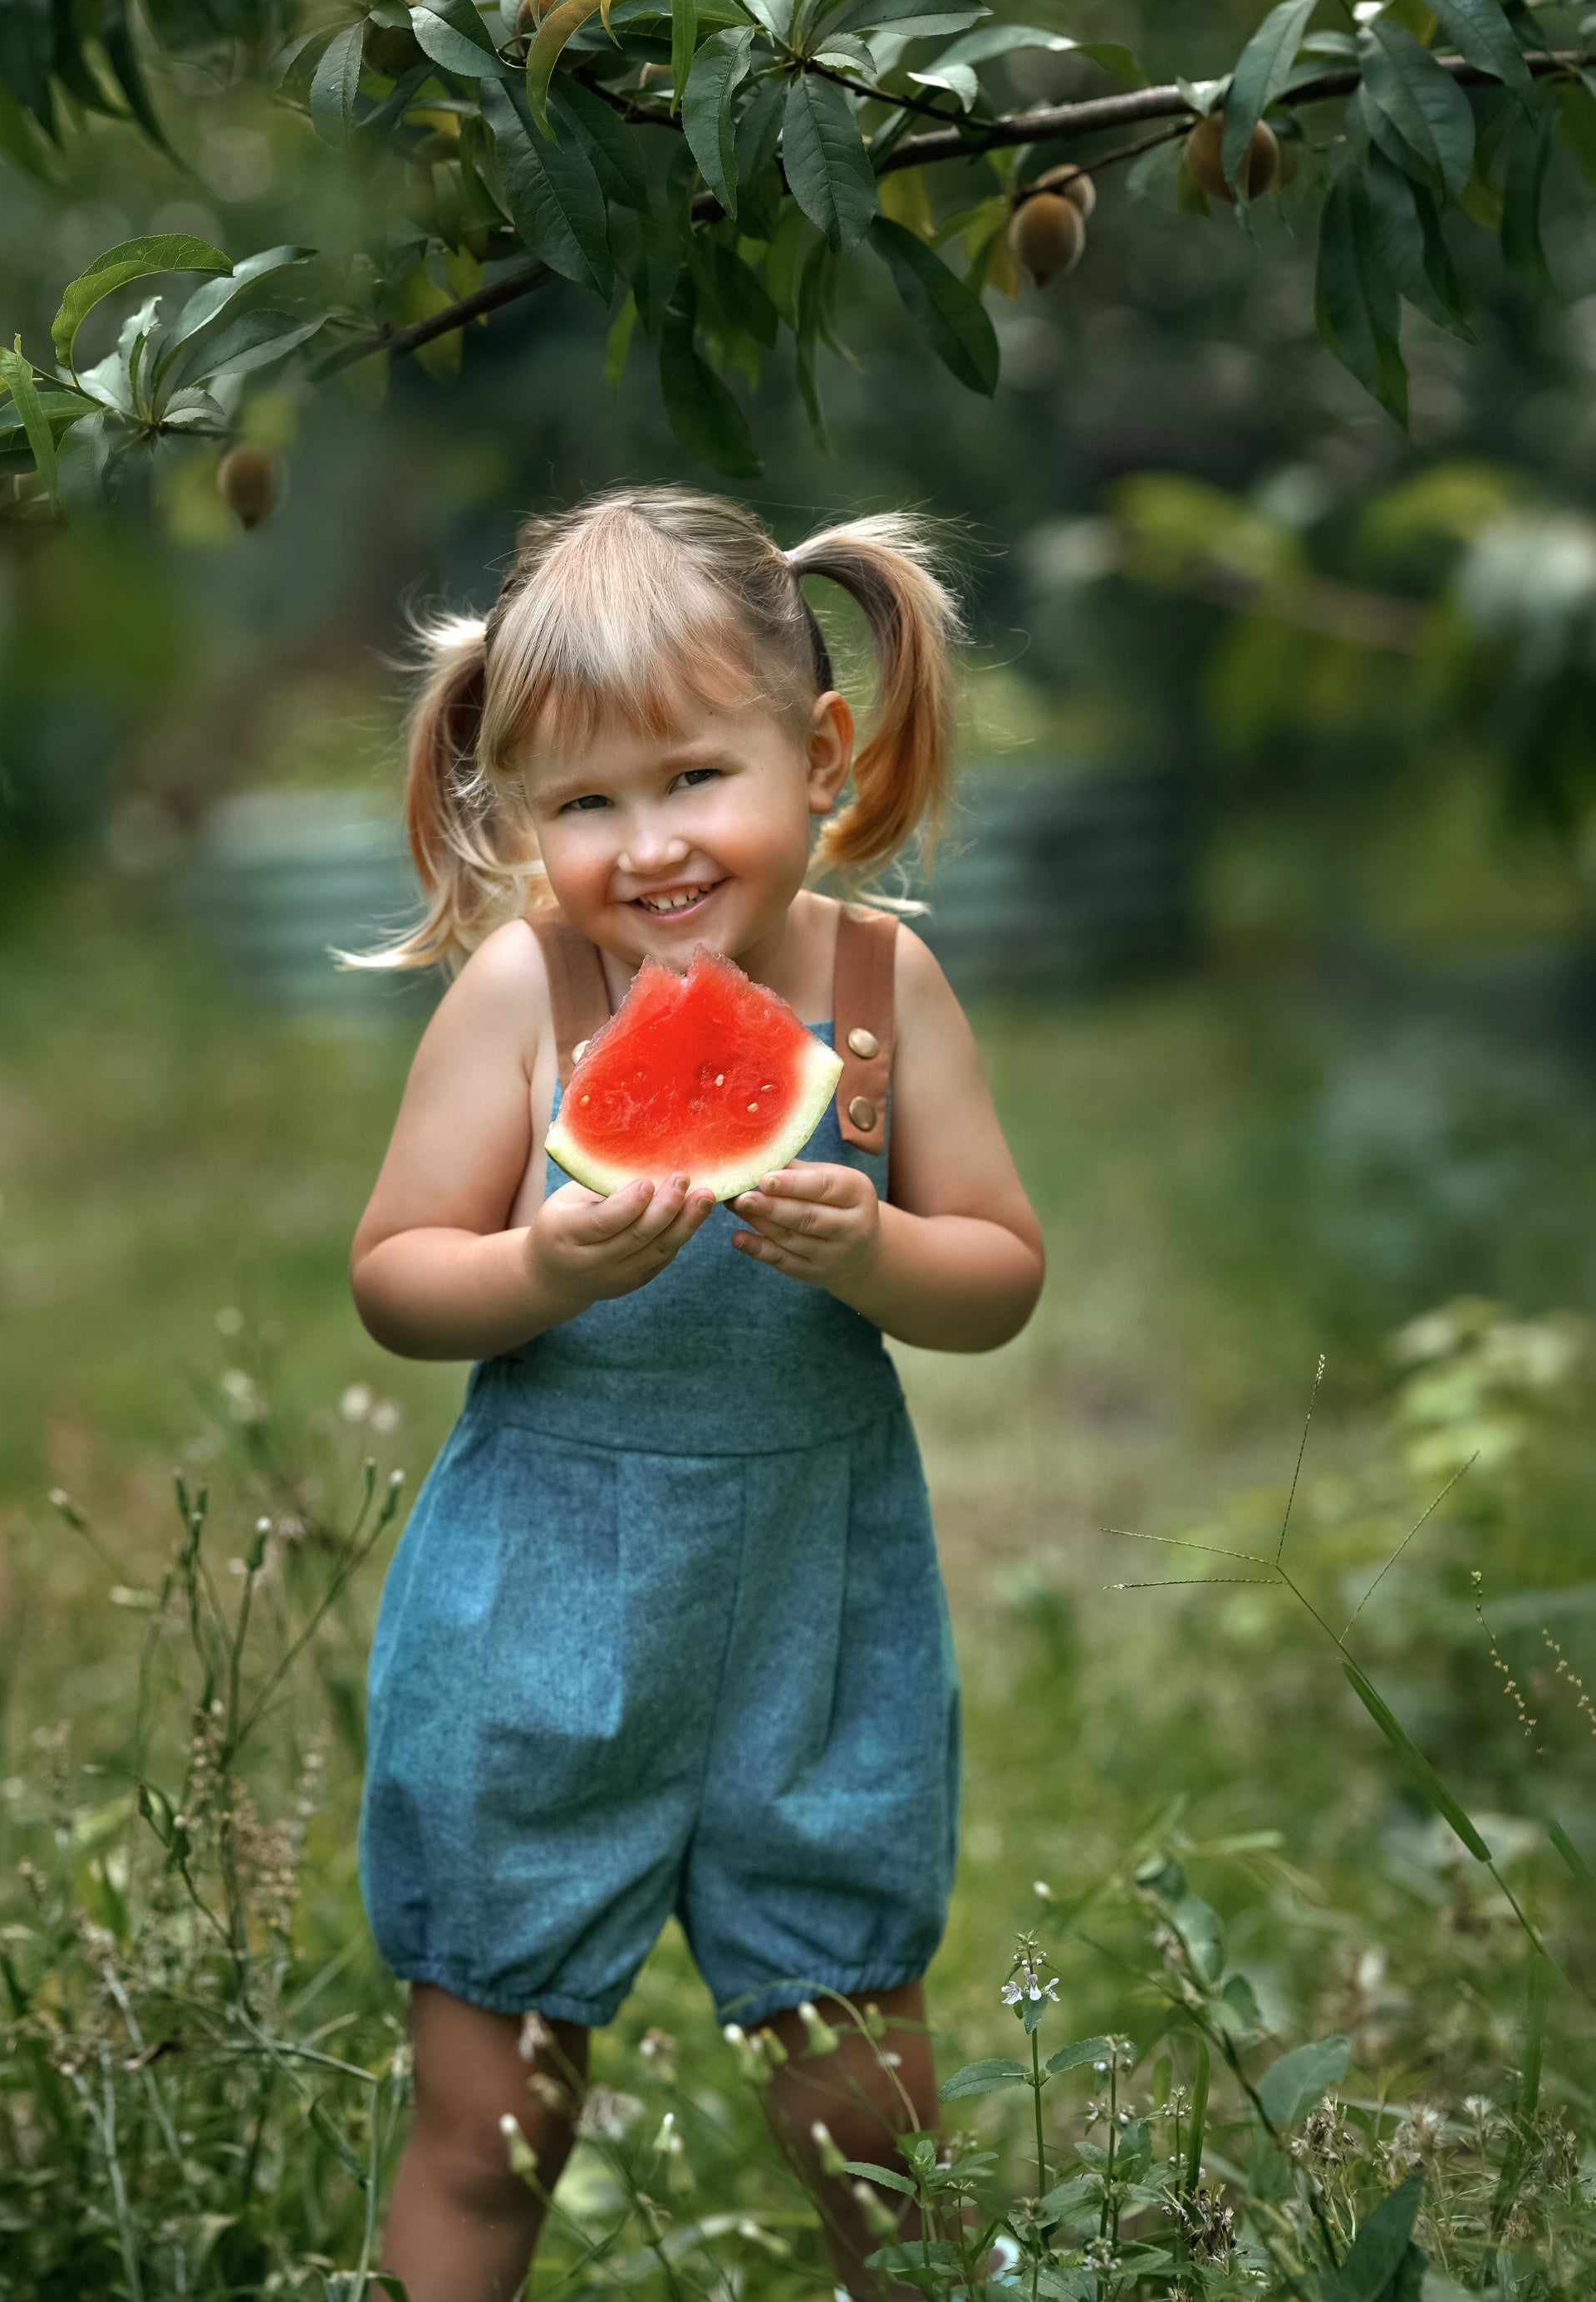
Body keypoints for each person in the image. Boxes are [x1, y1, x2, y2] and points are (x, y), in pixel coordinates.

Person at [347, 486, 1045, 2300]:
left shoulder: (886, 990)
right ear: (518, 818)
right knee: (487, 2115)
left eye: (691, 780)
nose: (645, 849)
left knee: (869, 2098)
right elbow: (396, 1272)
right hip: (543, 1620)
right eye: (582, 804)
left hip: (813, 1618)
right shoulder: (526, 989)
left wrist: (879, 1254)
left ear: (818, 753)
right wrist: (535, 1270)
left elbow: (1000, 1270)